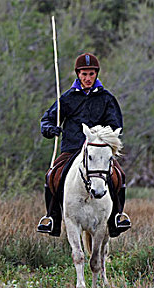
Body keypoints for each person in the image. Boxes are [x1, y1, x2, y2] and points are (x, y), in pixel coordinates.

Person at [36, 52, 131, 237]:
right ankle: (52, 218)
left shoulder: (106, 98)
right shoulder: (68, 98)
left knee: (119, 175)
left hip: (98, 151)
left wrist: (104, 137)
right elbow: (47, 119)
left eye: (91, 74)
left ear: (97, 74)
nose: (88, 78)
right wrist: (49, 129)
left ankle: (117, 217)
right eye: (84, 74)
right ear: (78, 74)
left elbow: (115, 124)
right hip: (72, 149)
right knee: (52, 175)